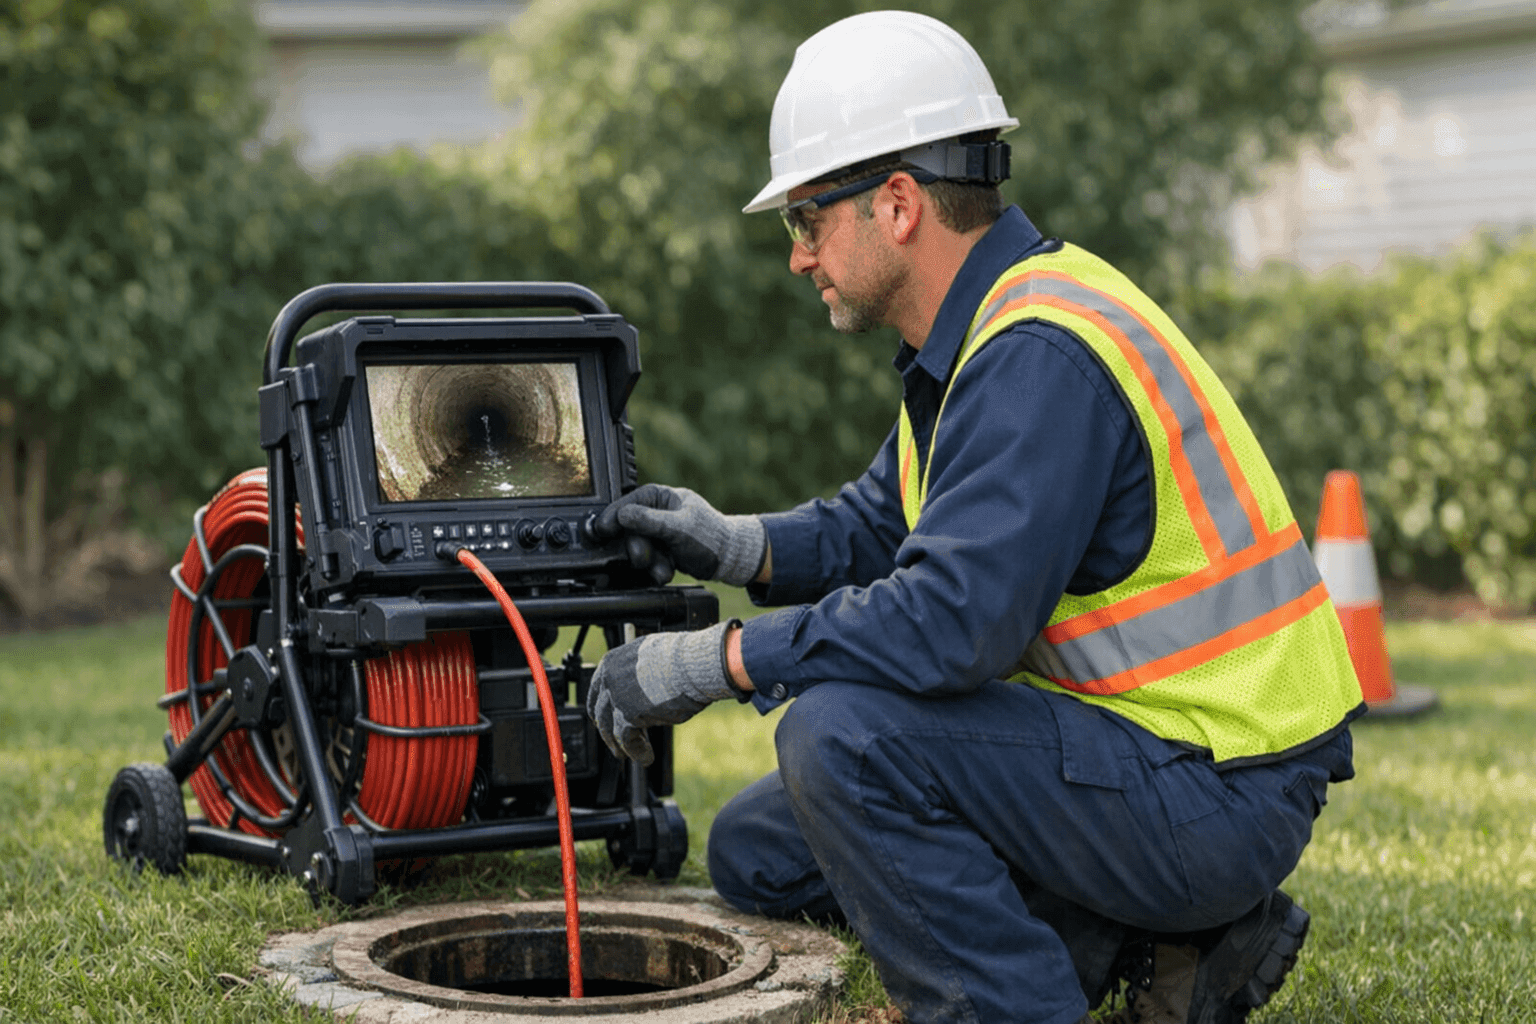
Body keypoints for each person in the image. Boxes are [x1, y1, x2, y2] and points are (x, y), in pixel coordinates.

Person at [585, 11, 1363, 1024]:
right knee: (759, 852)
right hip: (1147, 755)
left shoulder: (1039, 355)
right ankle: (1159, 943)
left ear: (897, 203)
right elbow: (880, 523)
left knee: (842, 740)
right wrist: (737, 544)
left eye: (807, 221)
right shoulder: (983, 335)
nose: (799, 257)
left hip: (1213, 790)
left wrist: (718, 660)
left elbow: (950, 625)